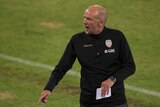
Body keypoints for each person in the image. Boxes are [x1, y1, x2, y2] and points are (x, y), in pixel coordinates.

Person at [38, 5, 136, 107]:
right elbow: (61, 67)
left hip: (115, 102)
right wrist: (48, 88)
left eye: (89, 19)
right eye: (84, 18)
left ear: (100, 22)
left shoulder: (116, 37)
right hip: (89, 101)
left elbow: (130, 66)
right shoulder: (77, 40)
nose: (84, 22)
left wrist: (113, 79)